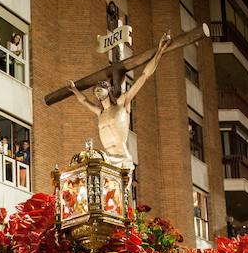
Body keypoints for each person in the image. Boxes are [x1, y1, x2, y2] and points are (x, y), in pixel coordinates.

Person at [67, 32, 172, 168]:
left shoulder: (122, 104)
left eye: (101, 87)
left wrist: (160, 50)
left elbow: (144, 76)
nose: (97, 90)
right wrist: (74, 89)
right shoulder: (100, 113)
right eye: (95, 90)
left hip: (122, 158)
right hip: (107, 161)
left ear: (109, 89)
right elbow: (84, 101)